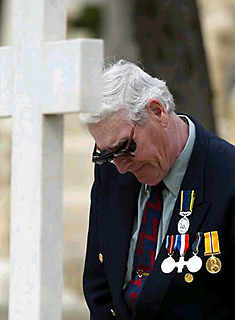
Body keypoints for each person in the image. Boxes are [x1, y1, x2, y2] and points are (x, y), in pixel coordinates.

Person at [81, 60, 235, 320]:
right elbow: (99, 282)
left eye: (125, 148)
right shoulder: (112, 171)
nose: (120, 167)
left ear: (158, 112)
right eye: (107, 155)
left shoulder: (226, 176)